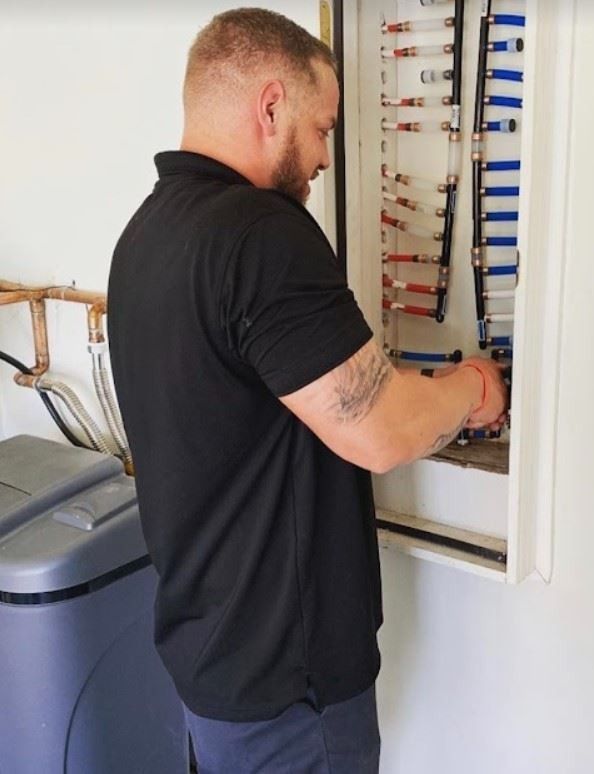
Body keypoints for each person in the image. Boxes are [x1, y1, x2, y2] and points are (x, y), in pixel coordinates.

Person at [107, 8, 507, 774]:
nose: (325, 156)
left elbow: (279, 394)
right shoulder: (262, 233)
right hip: (288, 693)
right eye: (322, 128)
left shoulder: (148, 234)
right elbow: (380, 431)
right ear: (269, 107)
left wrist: (405, 385)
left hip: (211, 664)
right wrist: (471, 388)